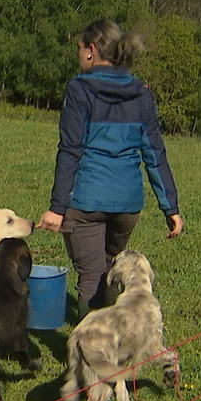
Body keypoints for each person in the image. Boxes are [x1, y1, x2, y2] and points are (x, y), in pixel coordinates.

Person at [37, 18, 183, 320]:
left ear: (91, 50)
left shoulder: (79, 89)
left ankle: (92, 356)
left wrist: (57, 208)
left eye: (79, 49)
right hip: (127, 206)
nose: (78, 55)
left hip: (86, 201)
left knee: (91, 277)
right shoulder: (141, 93)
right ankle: (115, 342)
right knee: (107, 271)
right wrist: (171, 207)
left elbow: (70, 150)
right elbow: (154, 153)